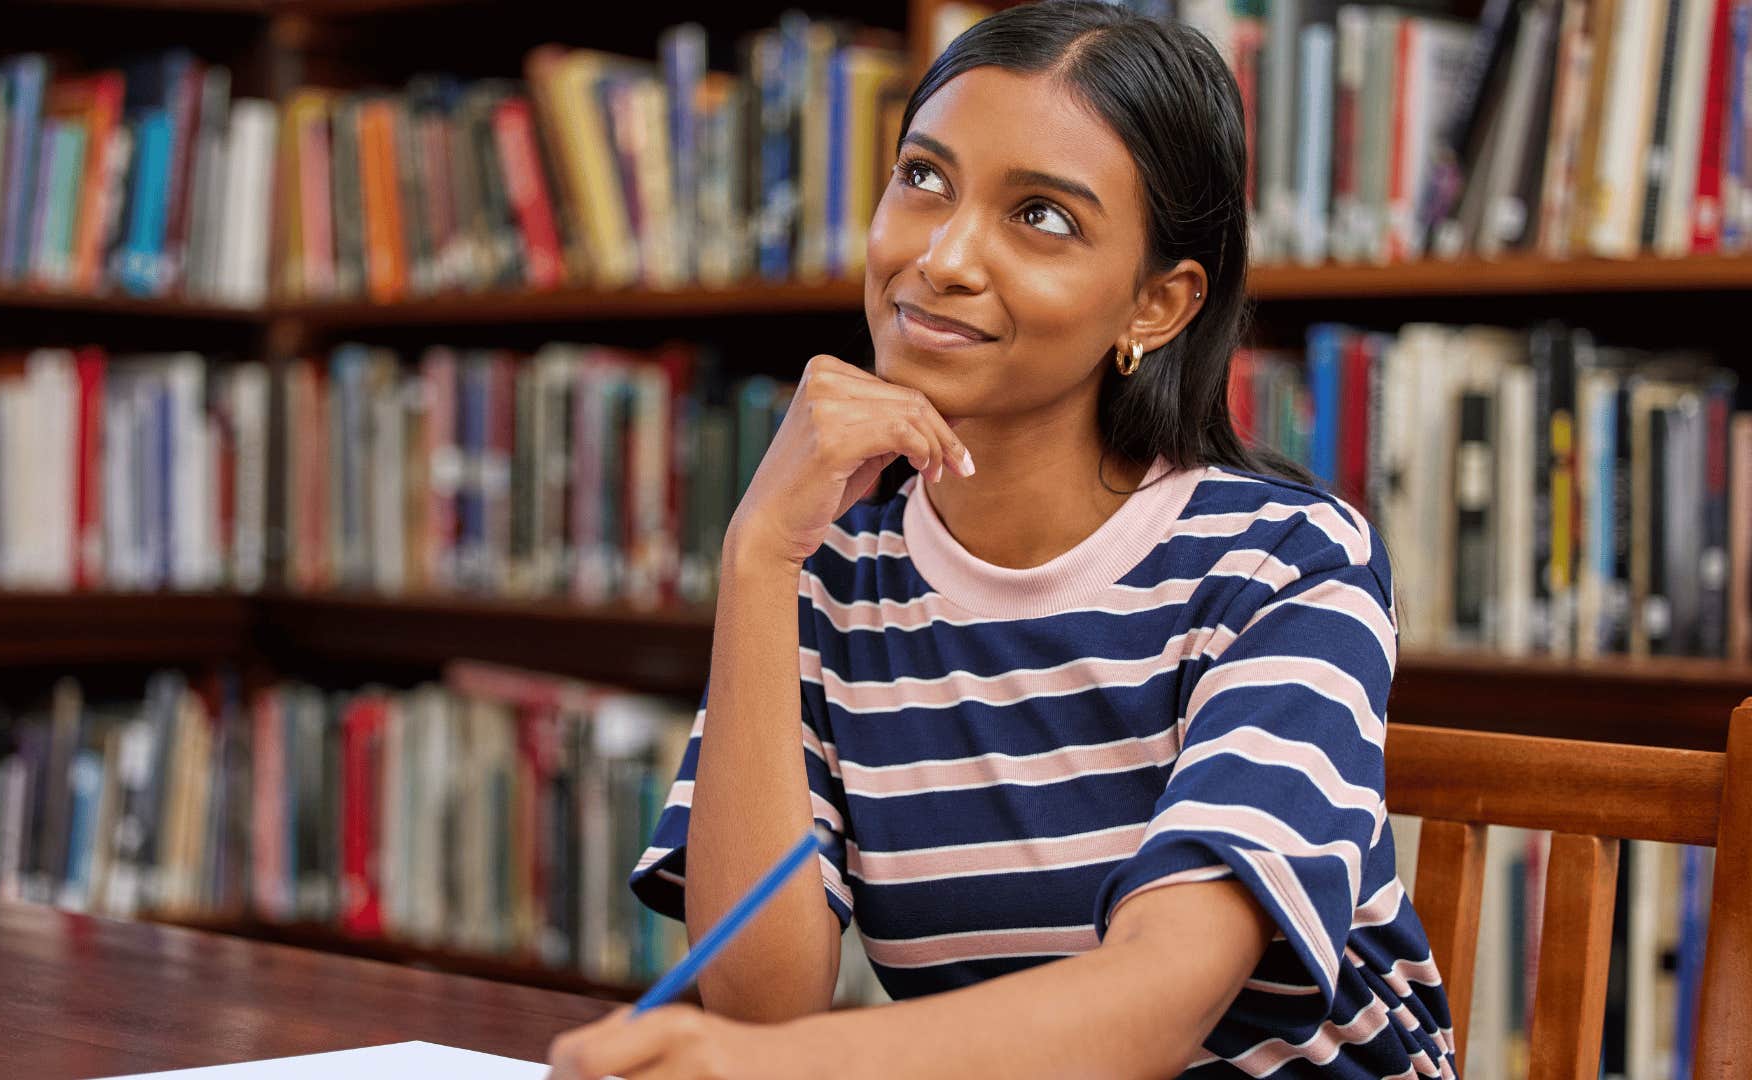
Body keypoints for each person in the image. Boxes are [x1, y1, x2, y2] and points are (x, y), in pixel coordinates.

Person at [548, 3, 1455, 1077]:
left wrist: (774, 1070)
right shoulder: (836, 578)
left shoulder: (1287, 565)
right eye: (923, 178)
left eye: (1043, 217)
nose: (942, 257)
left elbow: (1161, 1000)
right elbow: (761, 1002)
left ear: (1157, 306)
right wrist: (758, 558)